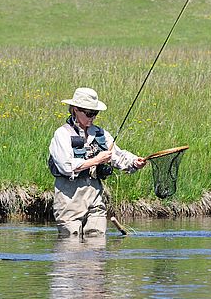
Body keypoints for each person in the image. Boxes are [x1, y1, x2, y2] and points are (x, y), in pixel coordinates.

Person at [48, 87, 145, 237]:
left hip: (95, 197)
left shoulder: (101, 134)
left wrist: (134, 162)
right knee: (70, 248)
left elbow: (117, 156)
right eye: (88, 113)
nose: (92, 117)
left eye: (95, 113)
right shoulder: (62, 134)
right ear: (75, 110)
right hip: (69, 198)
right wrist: (96, 160)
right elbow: (66, 166)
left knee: (97, 243)